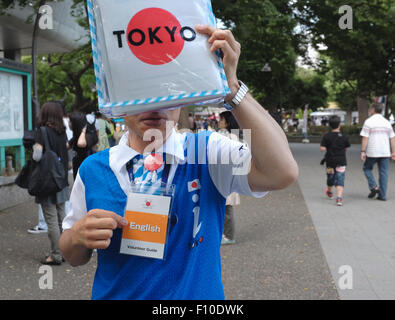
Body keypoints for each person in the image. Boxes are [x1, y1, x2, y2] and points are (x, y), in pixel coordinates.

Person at [59, 24, 298, 299]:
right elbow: (73, 255)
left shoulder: (207, 152)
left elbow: (282, 172)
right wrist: (77, 235)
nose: (155, 104)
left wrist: (232, 90)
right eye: (139, 92)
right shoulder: (94, 169)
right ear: (120, 100)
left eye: (169, 89)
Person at [33, 101, 69, 265]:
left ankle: (55, 255)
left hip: (47, 180)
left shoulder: (42, 132)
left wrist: (34, 148)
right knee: (63, 216)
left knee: (51, 218)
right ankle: (67, 252)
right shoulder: (63, 132)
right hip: (61, 179)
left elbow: (37, 156)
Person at [360, 102, 395, 200]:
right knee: (384, 173)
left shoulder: (368, 122)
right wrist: (393, 152)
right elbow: (392, 138)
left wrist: (363, 151)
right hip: (385, 152)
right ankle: (382, 196)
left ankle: (374, 186)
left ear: (373, 110)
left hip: (372, 151)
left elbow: (365, 138)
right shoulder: (387, 122)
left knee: (366, 168)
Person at [218, 111, 241, 244]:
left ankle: (229, 235)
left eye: (221, 119)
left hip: (227, 175)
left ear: (227, 122)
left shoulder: (231, 137)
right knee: (224, 206)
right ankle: (224, 233)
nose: (219, 122)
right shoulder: (229, 135)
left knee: (227, 207)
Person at [320, 115, 350, 206]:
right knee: (340, 178)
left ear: (330, 125)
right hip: (341, 162)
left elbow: (322, 148)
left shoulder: (326, 136)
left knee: (330, 177)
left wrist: (328, 148)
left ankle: (329, 191)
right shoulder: (344, 137)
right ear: (339, 125)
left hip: (330, 161)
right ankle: (339, 198)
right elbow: (346, 148)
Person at [68, 111, 92, 180]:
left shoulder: (87, 135)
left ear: (76, 123)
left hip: (84, 167)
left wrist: (83, 130)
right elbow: (67, 145)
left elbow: (81, 144)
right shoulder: (76, 135)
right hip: (77, 165)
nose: (68, 123)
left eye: (70, 121)